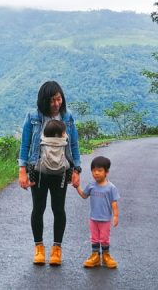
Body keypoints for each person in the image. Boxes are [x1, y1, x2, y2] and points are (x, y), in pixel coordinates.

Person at [18, 80, 81, 266]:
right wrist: (22, 170)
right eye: (52, 100)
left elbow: (74, 145)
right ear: (44, 101)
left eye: (59, 99)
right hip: (37, 170)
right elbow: (25, 144)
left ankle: (56, 249)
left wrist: (77, 169)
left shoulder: (67, 117)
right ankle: (39, 248)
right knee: (38, 209)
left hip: (62, 171)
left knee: (58, 209)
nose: (56, 104)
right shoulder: (33, 117)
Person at [74, 156, 119, 269]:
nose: (96, 173)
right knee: (94, 238)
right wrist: (77, 187)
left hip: (105, 220)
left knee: (104, 238)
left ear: (106, 172)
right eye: (94, 170)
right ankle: (95, 257)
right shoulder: (91, 185)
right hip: (93, 218)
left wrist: (116, 216)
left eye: (99, 170)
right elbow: (84, 196)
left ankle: (106, 256)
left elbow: (114, 203)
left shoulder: (111, 188)